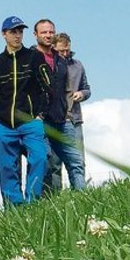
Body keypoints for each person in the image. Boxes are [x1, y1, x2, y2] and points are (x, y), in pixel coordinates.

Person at [0, 17, 51, 206]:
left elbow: (47, 87)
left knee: (40, 158)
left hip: (31, 122)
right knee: (7, 166)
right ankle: (15, 206)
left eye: (20, 32)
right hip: (4, 125)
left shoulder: (34, 57)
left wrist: (41, 115)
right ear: (4, 34)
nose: (17, 35)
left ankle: (33, 201)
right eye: (13, 32)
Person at [33, 19, 83, 194]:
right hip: (40, 120)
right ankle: (46, 202)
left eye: (50, 32)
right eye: (44, 32)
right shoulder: (30, 58)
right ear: (36, 35)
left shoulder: (61, 60)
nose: (48, 35)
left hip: (63, 119)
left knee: (76, 161)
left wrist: (67, 111)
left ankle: (82, 198)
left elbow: (66, 89)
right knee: (45, 163)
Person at [54, 32, 92, 188]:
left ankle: (80, 196)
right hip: (55, 119)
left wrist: (82, 94)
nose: (64, 53)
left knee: (77, 161)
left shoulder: (77, 65)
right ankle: (54, 199)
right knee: (54, 163)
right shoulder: (49, 64)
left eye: (67, 50)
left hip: (74, 119)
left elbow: (87, 89)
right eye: (61, 50)